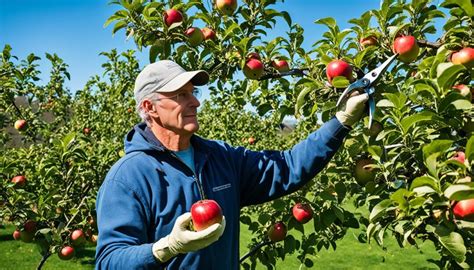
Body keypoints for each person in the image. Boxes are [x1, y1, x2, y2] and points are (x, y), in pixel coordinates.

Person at [95, 60, 369, 269]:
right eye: (181, 95)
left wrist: (341, 122)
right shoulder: (128, 177)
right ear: (150, 107)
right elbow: (109, 260)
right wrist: (166, 247)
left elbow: (287, 167)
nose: (196, 101)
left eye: (193, 92)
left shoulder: (221, 157)